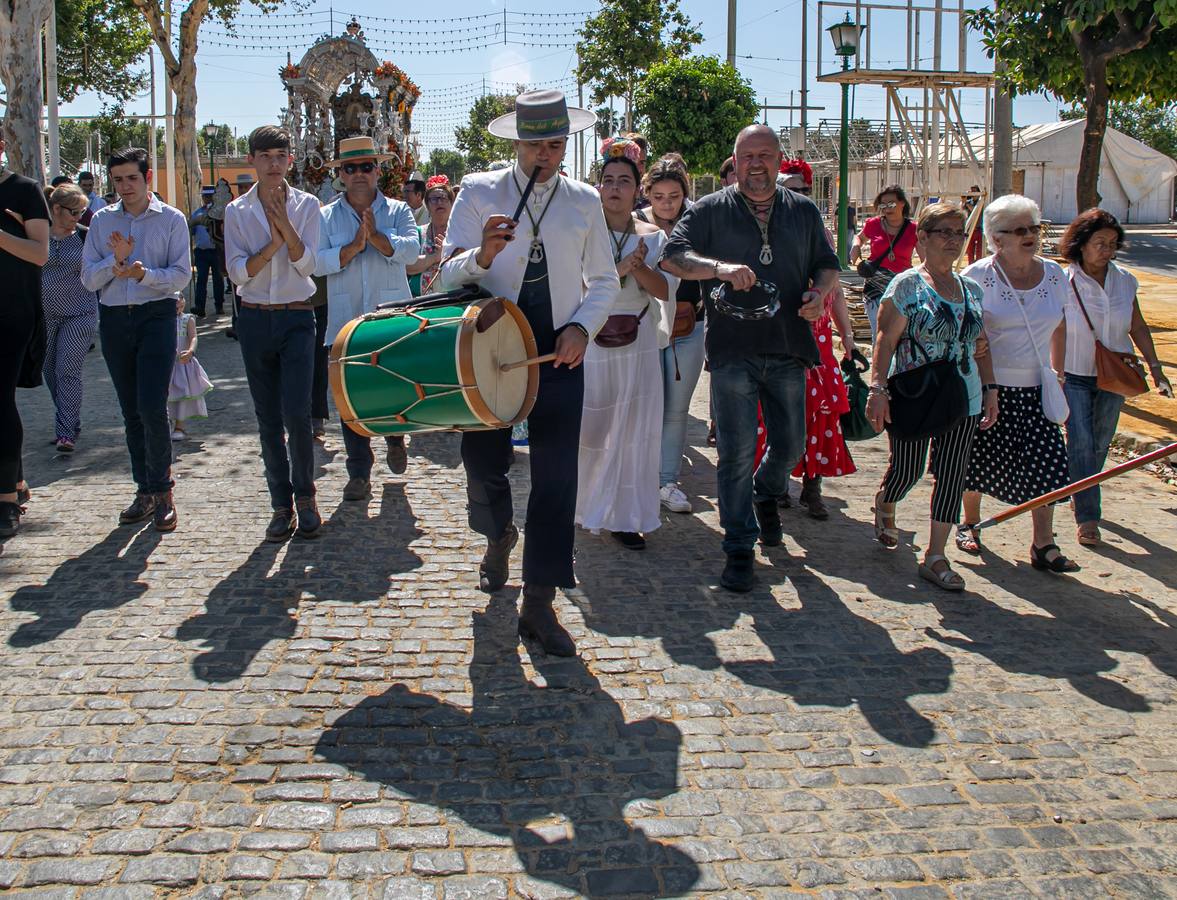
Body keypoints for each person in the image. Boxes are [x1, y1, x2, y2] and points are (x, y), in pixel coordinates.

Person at [436, 89, 618, 656]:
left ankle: (539, 602)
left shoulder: (584, 201)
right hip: (490, 349)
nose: (548, 153)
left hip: (559, 355)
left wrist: (582, 328)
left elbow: (605, 282)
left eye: (557, 142)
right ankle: (497, 536)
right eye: (537, 142)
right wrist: (482, 256)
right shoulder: (479, 191)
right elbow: (444, 275)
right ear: (517, 142)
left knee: (558, 475)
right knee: (483, 463)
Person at [661, 124, 840, 592]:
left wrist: (820, 294)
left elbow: (827, 262)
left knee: (791, 447)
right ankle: (739, 547)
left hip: (788, 344)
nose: (755, 164)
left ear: (779, 160)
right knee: (736, 453)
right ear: (735, 161)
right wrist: (718, 269)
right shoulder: (708, 211)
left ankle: (766, 492)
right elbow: (672, 256)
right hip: (732, 351)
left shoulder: (802, 210)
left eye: (764, 155)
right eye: (746, 156)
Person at [865, 203, 998, 592]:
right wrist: (877, 388)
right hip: (916, 392)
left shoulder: (971, 289)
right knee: (908, 471)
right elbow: (884, 340)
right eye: (944, 232)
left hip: (963, 394)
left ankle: (935, 556)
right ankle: (886, 500)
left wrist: (990, 390)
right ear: (922, 237)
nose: (953, 241)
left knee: (952, 474)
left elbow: (981, 345)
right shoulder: (907, 285)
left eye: (959, 233)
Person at [955, 195, 1075, 571]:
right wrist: (986, 386)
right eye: (1019, 230)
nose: (1030, 236)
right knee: (977, 460)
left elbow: (1060, 325)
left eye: (1034, 228)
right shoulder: (977, 276)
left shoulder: (1054, 275)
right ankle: (969, 524)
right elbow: (972, 336)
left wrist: (1060, 372)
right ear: (996, 237)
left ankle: (1044, 544)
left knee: (1047, 466)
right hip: (989, 386)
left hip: (1038, 388)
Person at [81, 146, 191, 533]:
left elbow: (180, 276)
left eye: (131, 178)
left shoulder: (171, 219)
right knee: (131, 411)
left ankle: (163, 492)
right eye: (117, 180)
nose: (124, 187)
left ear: (147, 178)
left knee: (151, 406)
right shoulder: (100, 222)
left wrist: (144, 275)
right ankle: (143, 490)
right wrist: (116, 265)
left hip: (155, 317)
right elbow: (88, 279)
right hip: (114, 319)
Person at [224, 125, 323, 542]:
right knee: (267, 419)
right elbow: (237, 272)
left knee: (298, 415)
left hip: (298, 316)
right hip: (255, 318)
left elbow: (308, 266)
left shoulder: (308, 205)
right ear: (252, 160)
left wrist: (287, 225)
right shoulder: (237, 211)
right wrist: (273, 241)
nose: (273, 164)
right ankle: (280, 504)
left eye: (280, 156)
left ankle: (306, 498)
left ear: (290, 160)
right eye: (265, 156)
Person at [577, 140, 673, 550]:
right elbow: (579, 287)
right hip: (593, 340)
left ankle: (624, 515)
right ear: (599, 187)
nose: (615, 188)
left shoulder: (652, 235)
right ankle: (582, 505)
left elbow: (665, 290)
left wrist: (640, 267)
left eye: (624, 182)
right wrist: (618, 269)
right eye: (608, 181)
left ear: (638, 190)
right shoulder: (583, 231)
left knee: (633, 431)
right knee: (591, 427)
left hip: (637, 340)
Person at [1059, 208, 1172, 546]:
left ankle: (1077, 487)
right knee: (1080, 441)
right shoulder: (1062, 281)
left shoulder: (1125, 280)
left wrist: (1155, 367)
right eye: (1099, 243)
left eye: (1112, 244)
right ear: (1081, 244)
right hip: (1074, 373)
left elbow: (1136, 324)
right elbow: (1053, 328)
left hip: (1115, 376)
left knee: (1099, 442)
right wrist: (1053, 372)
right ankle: (1088, 517)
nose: (1106, 250)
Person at [315, 135, 420, 500]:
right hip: (345, 318)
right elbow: (316, 261)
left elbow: (412, 251)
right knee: (349, 397)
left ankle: (395, 437)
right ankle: (359, 471)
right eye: (350, 168)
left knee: (394, 386)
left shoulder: (398, 210)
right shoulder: (325, 215)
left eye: (366, 166)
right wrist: (352, 249)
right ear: (340, 174)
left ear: (378, 170)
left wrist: (376, 237)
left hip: (391, 318)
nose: (359, 174)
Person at [776, 162, 860, 519]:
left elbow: (836, 290)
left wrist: (849, 337)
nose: (799, 197)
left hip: (818, 340)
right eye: (791, 190)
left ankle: (813, 486)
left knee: (820, 412)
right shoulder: (767, 230)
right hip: (779, 335)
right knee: (777, 410)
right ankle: (775, 483)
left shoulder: (821, 234)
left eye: (804, 191)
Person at [634, 157, 706, 514]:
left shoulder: (696, 224)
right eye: (659, 195)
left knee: (676, 409)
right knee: (644, 404)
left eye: (674, 196)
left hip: (689, 326)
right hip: (644, 327)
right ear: (647, 194)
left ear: (684, 195)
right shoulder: (635, 224)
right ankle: (639, 476)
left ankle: (666, 480)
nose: (667, 203)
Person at [0, 135, 50, 538]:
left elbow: (39, 254)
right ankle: (15, 479)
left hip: (11, 312)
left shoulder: (24, 190)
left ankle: (5, 500)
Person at [42, 184, 98, 453]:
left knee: (67, 371)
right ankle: (70, 419)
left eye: (82, 211)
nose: (79, 216)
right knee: (50, 373)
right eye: (74, 211)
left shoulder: (86, 238)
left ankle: (65, 432)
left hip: (80, 314)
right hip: (44, 318)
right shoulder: (37, 235)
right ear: (56, 209)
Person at [851, 184, 917, 335]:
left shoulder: (913, 229)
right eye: (883, 205)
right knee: (879, 332)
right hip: (875, 286)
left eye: (892, 204)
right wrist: (856, 246)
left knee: (902, 334)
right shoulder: (873, 224)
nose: (888, 208)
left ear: (902, 203)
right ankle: (879, 359)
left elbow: (925, 258)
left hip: (902, 286)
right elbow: (859, 238)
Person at [168, 297, 212, 440]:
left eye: (180, 298)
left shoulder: (188, 319)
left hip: (183, 364)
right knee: (166, 394)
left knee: (183, 395)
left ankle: (180, 426)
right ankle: (166, 423)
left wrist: (190, 351)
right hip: (167, 364)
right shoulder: (161, 319)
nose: (178, 302)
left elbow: (193, 337)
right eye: (174, 300)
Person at [406, 175, 453, 296]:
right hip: (419, 303)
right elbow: (407, 266)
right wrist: (435, 257)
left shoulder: (459, 233)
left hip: (453, 302)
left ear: (452, 203)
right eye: (434, 199)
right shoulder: (417, 232)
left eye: (444, 198)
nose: (439, 202)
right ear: (427, 204)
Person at [190, 186, 226, 317]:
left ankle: (219, 305)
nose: (208, 199)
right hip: (202, 251)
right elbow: (192, 230)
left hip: (216, 250)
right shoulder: (197, 213)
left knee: (218, 279)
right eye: (205, 196)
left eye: (210, 196)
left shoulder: (221, 213)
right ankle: (200, 306)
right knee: (201, 279)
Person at [963, 184, 984, 264]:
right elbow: (961, 208)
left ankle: (978, 264)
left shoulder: (981, 202)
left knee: (979, 251)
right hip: (971, 229)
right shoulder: (969, 202)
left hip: (979, 229)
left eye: (975, 191)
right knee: (970, 250)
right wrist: (964, 200)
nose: (973, 193)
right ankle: (970, 264)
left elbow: (974, 210)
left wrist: (967, 203)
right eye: (972, 191)